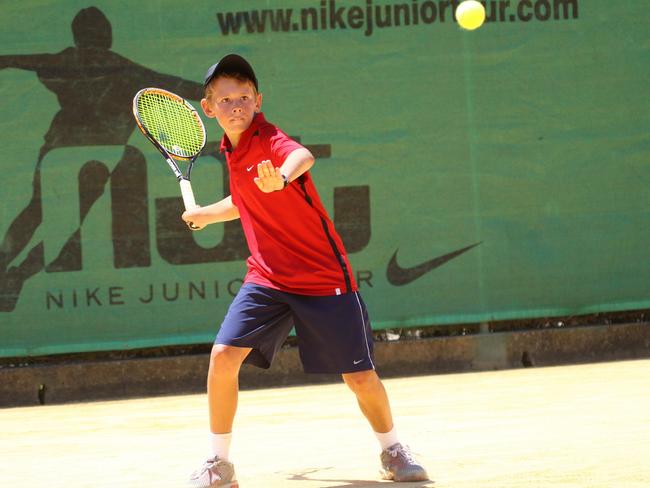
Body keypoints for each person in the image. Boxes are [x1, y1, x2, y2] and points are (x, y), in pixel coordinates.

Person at [183, 54, 429, 487]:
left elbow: (302, 156)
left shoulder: (269, 138)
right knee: (222, 357)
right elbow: (244, 202)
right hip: (267, 278)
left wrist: (281, 175)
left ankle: (392, 450)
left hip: (322, 277)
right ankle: (219, 464)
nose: (235, 105)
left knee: (359, 376)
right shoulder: (230, 149)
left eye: (243, 97)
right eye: (225, 99)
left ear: (258, 101)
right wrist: (205, 213)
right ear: (209, 108)